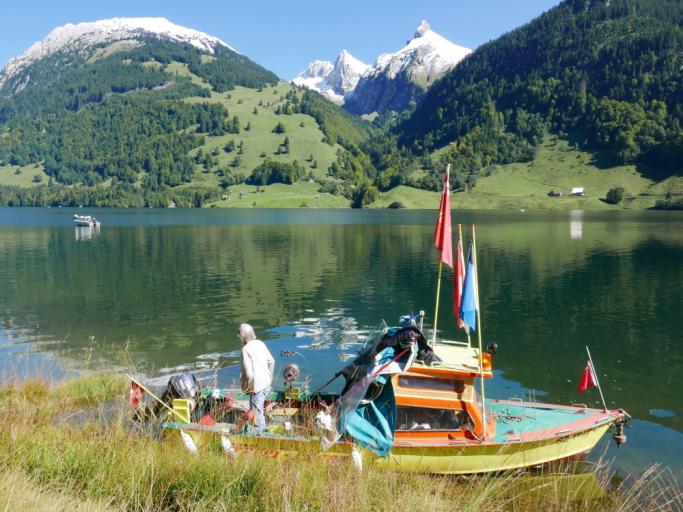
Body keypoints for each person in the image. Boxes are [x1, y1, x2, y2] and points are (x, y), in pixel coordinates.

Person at [238, 323, 274, 433]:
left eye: (239, 333)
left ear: (243, 336)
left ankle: (259, 434)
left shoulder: (245, 349)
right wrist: (270, 378)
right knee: (256, 408)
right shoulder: (260, 343)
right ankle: (255, 426)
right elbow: (272, 361)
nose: (238, 336)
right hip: (267, 384)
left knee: (257, 413)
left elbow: (249, 374)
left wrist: (249, 388)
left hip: (256, 387)